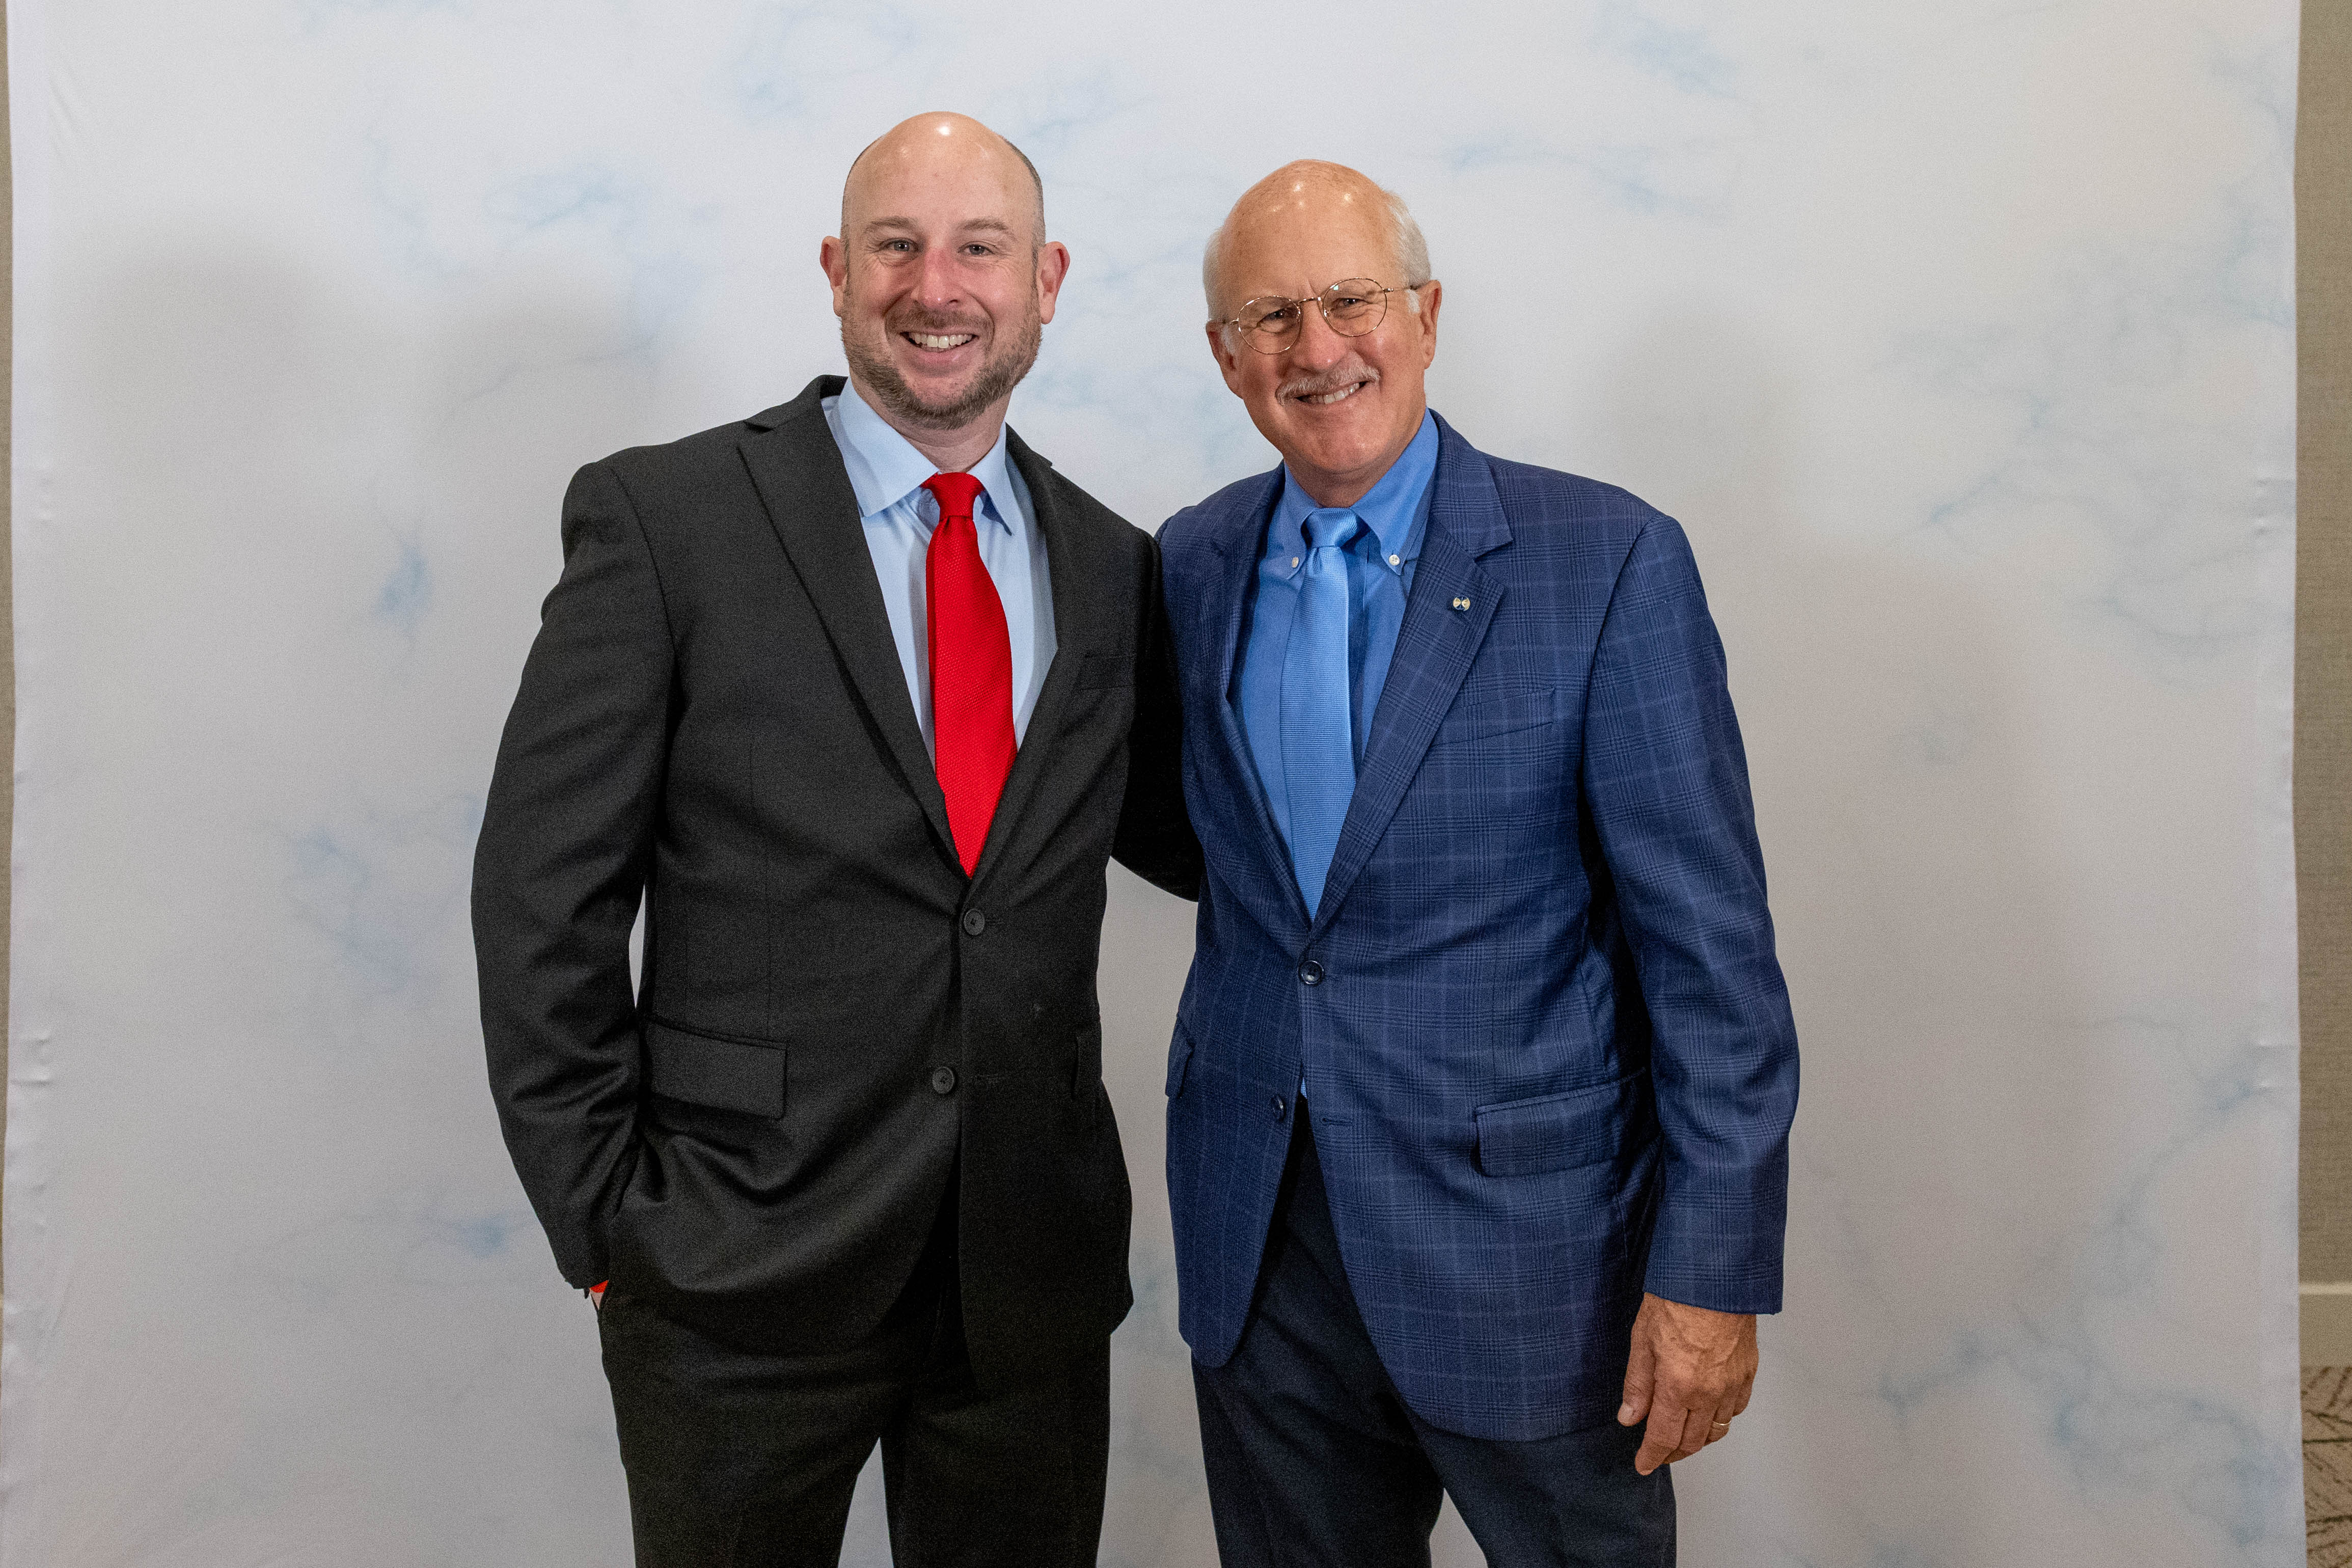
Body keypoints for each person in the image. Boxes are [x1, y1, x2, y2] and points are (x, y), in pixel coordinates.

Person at [471, 112, 1198, 1568]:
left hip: (1024, 1285)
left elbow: (1194, 847)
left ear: (1046, 279)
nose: (937, 287)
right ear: (835, 269)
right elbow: (542, 896)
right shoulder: (668, 520)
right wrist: (605, 1221)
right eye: (895, 246)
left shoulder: (1119, 568)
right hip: (729, 1271)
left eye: (979, 247)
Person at [1157, 160, 1800, 1564]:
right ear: (1225, 356)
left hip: (1540, 1265)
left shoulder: (1605, 561)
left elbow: (1712, 957)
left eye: (1351, 300)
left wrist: (1711, 1271)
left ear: (1427, 315)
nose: (1318, 347)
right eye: (1272, 316)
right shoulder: (1188, 566)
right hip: (1262, 1248)